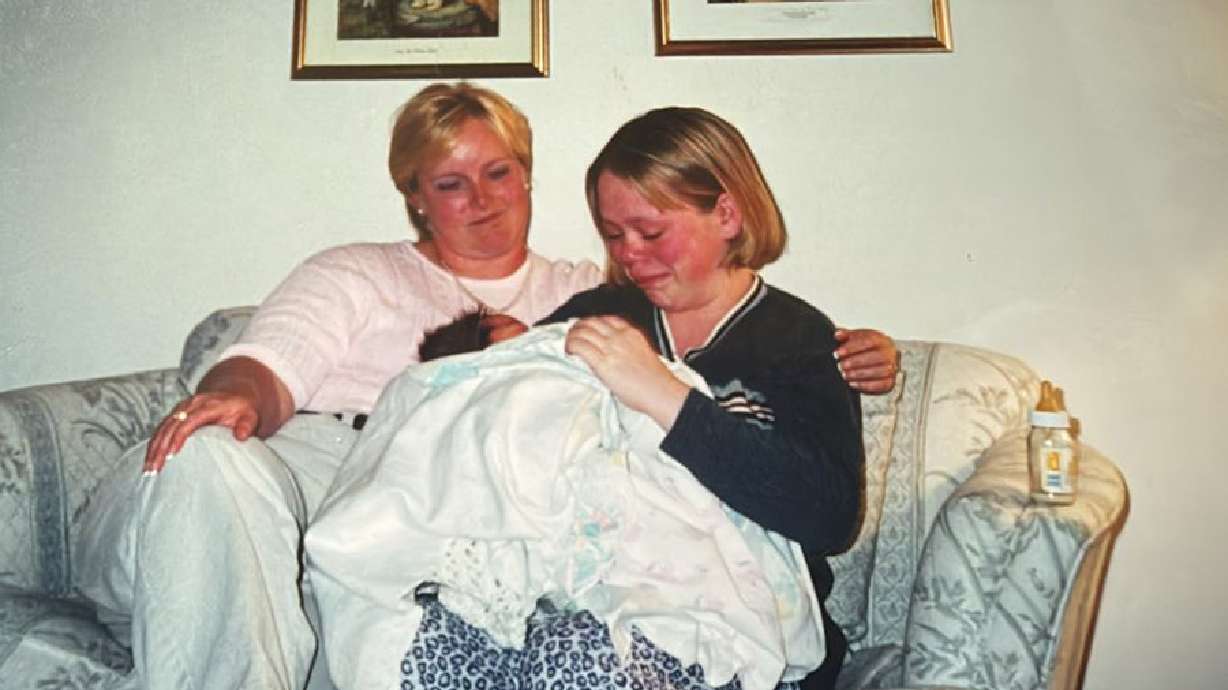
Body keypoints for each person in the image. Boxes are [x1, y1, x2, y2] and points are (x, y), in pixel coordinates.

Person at [74, 83, 898, 690]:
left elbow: (823, 512)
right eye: (616, 235)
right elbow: (338, 365)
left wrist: (671, 393)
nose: (633, 254)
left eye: (652, 231)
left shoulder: (765, 331)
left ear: (727, 214)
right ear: (415, 199)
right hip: (476, 535)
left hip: (695, 600)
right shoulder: (587, 304)